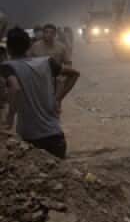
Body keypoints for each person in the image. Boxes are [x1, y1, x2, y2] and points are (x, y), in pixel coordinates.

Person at [3, 26, 80, 158]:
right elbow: (74, 74)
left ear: (8, 49)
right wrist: (58, 99)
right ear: (28, 47)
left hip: (30, 139)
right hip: (56, 137)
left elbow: (15, 88)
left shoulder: (8, 67)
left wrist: (10, 116)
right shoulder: (46, 62)